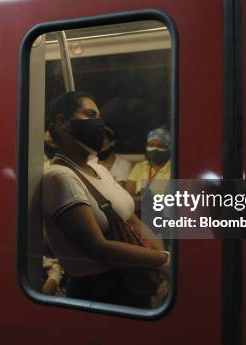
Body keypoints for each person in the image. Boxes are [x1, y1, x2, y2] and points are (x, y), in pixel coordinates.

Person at [42, 91, 169, 308]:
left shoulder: (97, 168)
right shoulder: (60, 177)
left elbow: (130, 219)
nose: (98, 124)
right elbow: (97, 247)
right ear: (63, 122)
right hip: (102, 291)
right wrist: (164, 261)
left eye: (99, 117)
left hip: (132, 278)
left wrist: (158, 258)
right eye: (90, 114)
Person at [125, 128, 172, 209]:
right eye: (151, 145)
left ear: (168, 148)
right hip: (139, 212)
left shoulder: (174, 169)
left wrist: (143, 199)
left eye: (160, 146)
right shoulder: (140, 167)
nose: (154, 148)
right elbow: (127, 195)